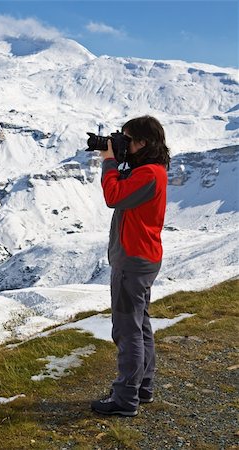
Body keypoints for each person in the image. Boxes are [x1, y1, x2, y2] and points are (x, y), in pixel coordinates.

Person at [91, 115, 170, 417]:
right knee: (140, 324)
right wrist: (119, 157)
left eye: (128, 139)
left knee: (127, 330)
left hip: (133, 259)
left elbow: (113, 196)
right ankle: (143, 387)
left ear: (143, 143)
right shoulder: (152, 170)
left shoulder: (148, 174)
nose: (123, 144)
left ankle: (125, 398)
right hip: (144, 256)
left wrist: (110, 162)